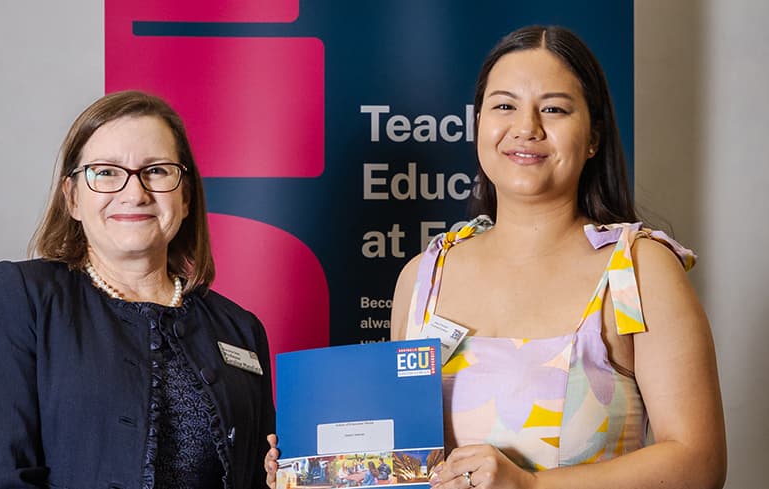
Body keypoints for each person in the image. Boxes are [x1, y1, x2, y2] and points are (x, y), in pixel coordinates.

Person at [265, 24, 726, 489]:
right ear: (479, 124)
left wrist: (531, 486)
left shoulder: (638, 271)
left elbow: (699, 462)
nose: (526, 128)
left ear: (593, 138)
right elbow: (397, 465)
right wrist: (314, 469)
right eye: (504, 106)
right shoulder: (423, 277)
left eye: (554, 109)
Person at [0, 90, 275, 489]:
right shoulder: (25, 297)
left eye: (156, 170)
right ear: (72, 198)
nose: (135, 193)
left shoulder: (239, 328)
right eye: (106, 172)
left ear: (186, 196)